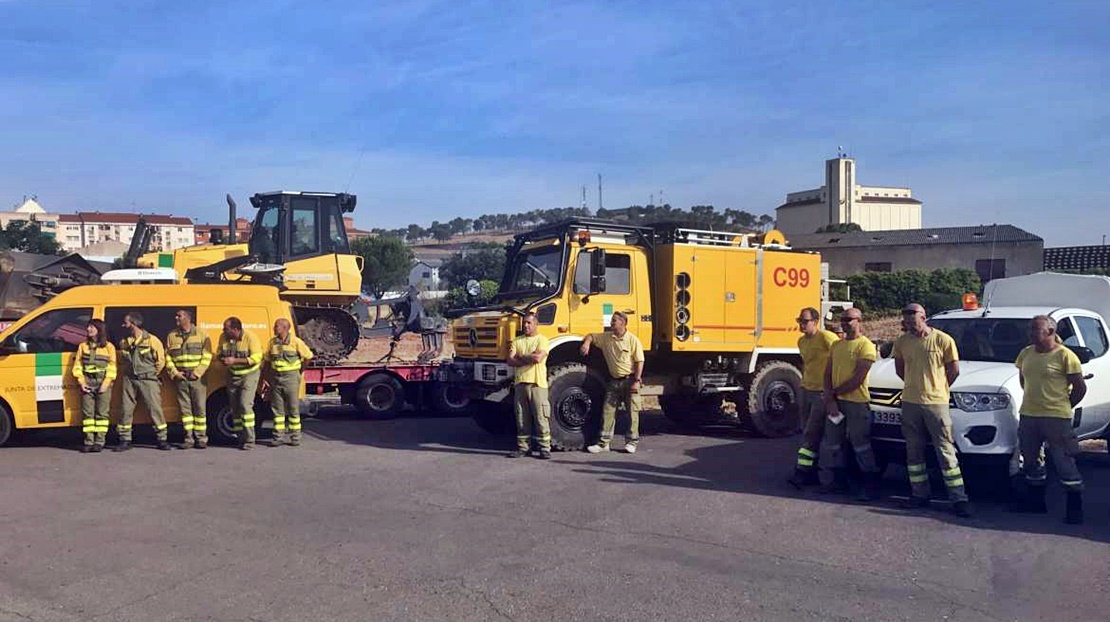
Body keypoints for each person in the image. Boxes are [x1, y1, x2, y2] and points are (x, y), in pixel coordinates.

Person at [894, 303, 970, 517]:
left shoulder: (943, 340)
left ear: (924, 317)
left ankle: (958, 498)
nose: (909, 324)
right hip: (910, 402)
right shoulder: (902, 342)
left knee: (945, 451)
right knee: (913, 451)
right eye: (906, 320)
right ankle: (920, 494)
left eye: (913, 319)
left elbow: (953, 370)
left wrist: (938, 388)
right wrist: (913, 384)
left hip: (936, 403)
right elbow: (900, 369)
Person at [1012, 315, 1088, 524]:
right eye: (1030, 330)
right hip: (1029, 415)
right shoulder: (1026, 353)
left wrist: (1064, 405)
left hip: (1057, 417)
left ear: (1051, 332)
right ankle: (1036, 503)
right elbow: (1023, 381)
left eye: (1035, 330)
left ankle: (1074, 507)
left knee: (1064, 461)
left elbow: (1080, 388)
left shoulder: (1065, 356)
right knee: (1031, 460)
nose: (1031, 334)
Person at [820, 308, 881, 500]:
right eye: (843, 319)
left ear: (859, 321)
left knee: (860, 444)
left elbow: (858, 378)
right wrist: (830, 398)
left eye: (849, 319)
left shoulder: (866, 346)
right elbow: (827, 372)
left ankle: (870, 484)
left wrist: (833, 394)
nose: (845, 323)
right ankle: (838, 481)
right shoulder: (837, 345)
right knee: (834, 443)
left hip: (856, 402)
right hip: (836, 403)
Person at [788, 307, 839, 489]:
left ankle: (803, 473)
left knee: (812, 431)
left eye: (804, 321)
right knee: (806, 431)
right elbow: (806, 364)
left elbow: (839, 358)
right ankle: (810, 471)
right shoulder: (801, 341)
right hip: (806, 389)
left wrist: (831, 390)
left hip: (821, 392)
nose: (801, 324)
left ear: (816, 322)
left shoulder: (827, 338)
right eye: (799, 320)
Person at [581, 311, 645, 454]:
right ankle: (604, 444)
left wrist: (636, 380)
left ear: (623, 322)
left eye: (614, 320)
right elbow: (591, 335)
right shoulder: (606, 338)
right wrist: (586, 343)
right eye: (612, 320)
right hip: (613, 382)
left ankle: (631, 443)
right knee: (608, 412)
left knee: (632, 413)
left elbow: (639, 361)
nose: (611, 323)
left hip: (629, 380)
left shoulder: (633, 340)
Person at [115, 311, 170, 451]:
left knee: (155, 409)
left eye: (126, 322)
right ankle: (125, 439)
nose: (123, 325)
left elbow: (160, 361)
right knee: (125, 409)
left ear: (133, 324)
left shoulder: (152, 340)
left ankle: (162, 439)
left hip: (148, 380)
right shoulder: (125, 342)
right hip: (130, 379)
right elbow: (123, 359)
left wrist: (151, 374)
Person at [164, 309, 213, 449]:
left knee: (199, 409)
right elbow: (168, 357)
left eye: (179, 316)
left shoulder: (201, 334)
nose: (176, 318)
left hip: (197, 379)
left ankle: (201, 438)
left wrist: (197, 372)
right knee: (185, 411)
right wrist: (175, 373)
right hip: (181, 378)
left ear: (188, 318)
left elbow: (207, 355)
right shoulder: (172, 336)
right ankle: (188, 438)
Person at [506, 312, 551, 459]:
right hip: (520, 383)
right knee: (521, 417)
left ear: (536, 324)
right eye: (524, 323)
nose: (525, 325)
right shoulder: (517, 341)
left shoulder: (542, 340)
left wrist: (520, 357)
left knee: (540, 416)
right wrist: (528, 357)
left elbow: (538, 358)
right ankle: (523, 448)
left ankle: (545, 448)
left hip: (537, 384)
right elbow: (510, 361)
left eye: (529, 323)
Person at [264, 318, 314, 447]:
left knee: (293, 408)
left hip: (290, 378)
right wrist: (267, 378)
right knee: (277, 410)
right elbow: (267, 361)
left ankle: (295, 436)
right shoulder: (273, 343)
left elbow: (308, 357)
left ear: (285, 328)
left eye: (277, 326)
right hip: (276, 378)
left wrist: (299, 371)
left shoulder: (296, 342)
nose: (275, 328)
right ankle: (278, 436)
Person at [218, 317, 263, 450]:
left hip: (249, 374)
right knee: (235, 408)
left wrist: (235, 361)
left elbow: (256, 358)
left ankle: (250, 440)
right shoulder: (224, 337)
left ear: (235, 329)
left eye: (226, 328)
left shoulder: (250, 337)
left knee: (245, 405)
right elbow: (219, 353)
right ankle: (239, 437)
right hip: (233, 375)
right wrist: (222, 359)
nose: (223, 331)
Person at [73, 319, 116, 453]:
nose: (88, 329)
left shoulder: (109, 347)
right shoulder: (83, 346)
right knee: (87, 414)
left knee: (102, 414)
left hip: (103, 382)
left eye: (92, 327)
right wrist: (82, 382)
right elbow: (78, 366)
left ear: (99, 329)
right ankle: (88, 441)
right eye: (88, 327)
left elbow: (112, 367)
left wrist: (105, 384)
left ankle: (99, 442)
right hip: (88, 382)